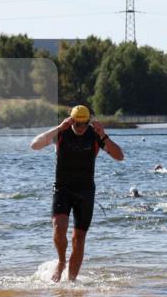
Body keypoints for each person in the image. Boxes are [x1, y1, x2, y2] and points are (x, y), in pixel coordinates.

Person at [30, 104, 124, 282]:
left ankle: (71, 282)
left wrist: (104, 135)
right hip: (62, 189)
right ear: (71, 121)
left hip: (85, 191)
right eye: (76, 124)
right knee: (59, 229)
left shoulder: (95, 135)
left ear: (88, 122)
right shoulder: (62, 133)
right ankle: (61, 261)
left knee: (78, 239)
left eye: (83, 124)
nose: (80, 128)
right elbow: (34, 145)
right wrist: (59, 127)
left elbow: (119, 156)